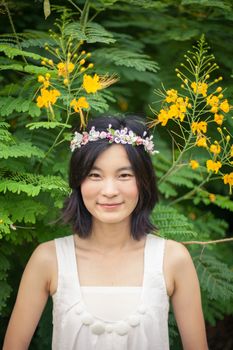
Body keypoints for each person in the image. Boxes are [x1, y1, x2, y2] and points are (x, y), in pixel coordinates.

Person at [3, 115, 209, 350]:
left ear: (144, 182)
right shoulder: (48, 258)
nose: (109, 191)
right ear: (78, 182)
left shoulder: (172, 259)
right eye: (95, 175)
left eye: (124, 175)